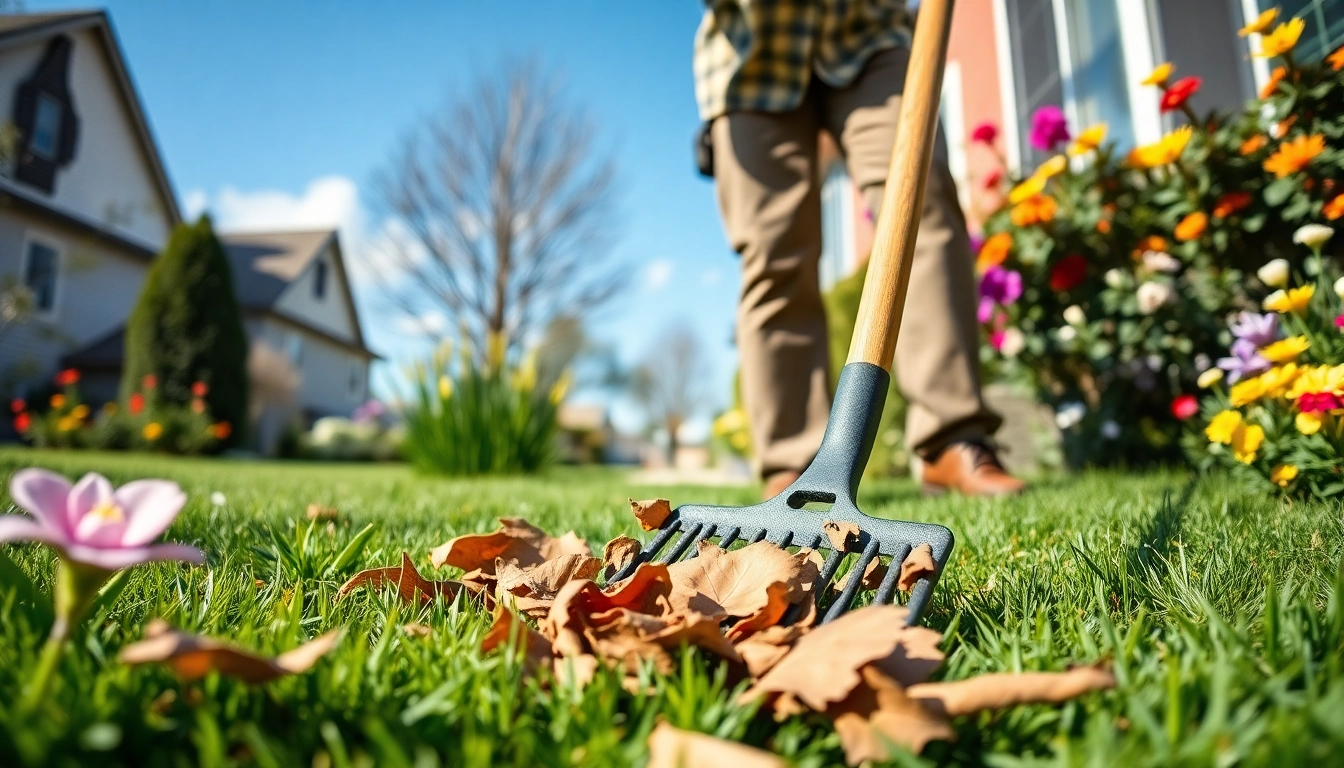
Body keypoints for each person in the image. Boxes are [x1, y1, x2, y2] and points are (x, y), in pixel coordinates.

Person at [694, 0, 1025, 498]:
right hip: (750, 50)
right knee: (773, 251)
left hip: (867, 31)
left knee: (923, 202)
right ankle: (792, 467)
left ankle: (953, 438)